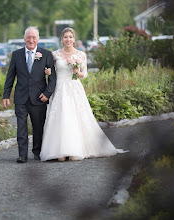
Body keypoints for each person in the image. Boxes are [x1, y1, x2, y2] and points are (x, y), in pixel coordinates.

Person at [40, 27, 126, 162]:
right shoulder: (55, 54)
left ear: (74, 39)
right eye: (65, 37)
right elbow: (52, 71)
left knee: (74, 118)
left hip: (74, 88)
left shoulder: (80, 55)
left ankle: (74, 149)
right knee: (60, 118)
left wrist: (77, 72)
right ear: (62, 40)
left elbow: (84, 75)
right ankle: (59, 151)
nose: (68, 39)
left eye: (70, 37)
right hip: (60, 89)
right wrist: (48, 73)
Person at [3, 26, 56, 163]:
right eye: (28, 37)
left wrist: (47, 93)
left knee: (38, 127)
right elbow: (10, 76)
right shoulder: (16, 55)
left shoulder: (46, 54)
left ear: (38, 39)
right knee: (21, 127)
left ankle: (37, 152)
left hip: (39, 97)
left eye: (34, 37)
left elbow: (52, 77)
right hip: (21, 97)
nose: (31, 40)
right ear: (24, 39)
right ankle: (22, 155)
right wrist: (6, 95)